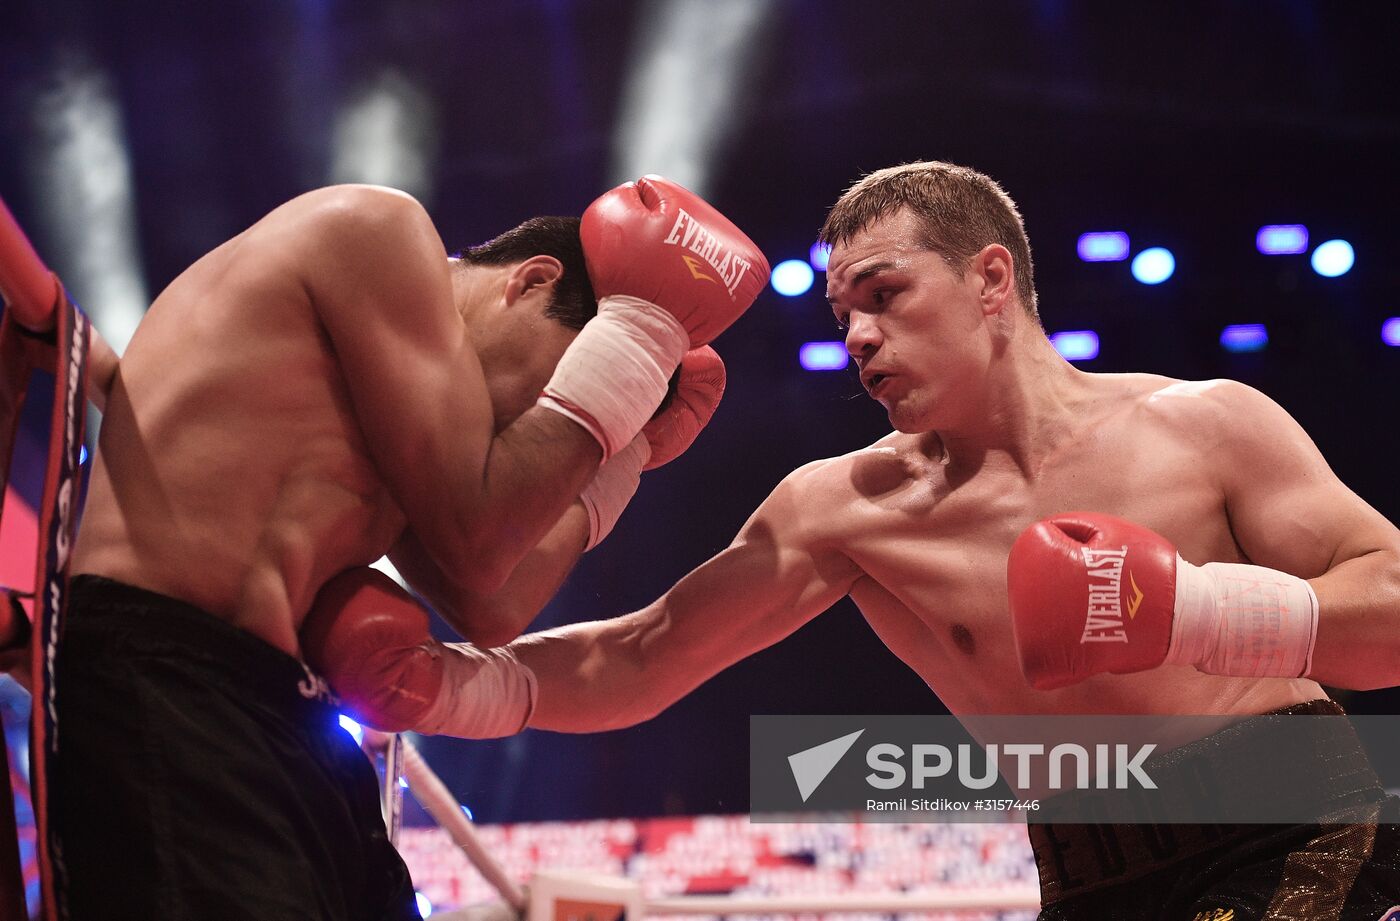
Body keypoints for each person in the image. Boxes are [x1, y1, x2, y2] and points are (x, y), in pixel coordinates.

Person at [304, 162, 1400, 919]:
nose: (859, 337)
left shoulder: (1203, 426)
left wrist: (1197, 611)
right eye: (841, 317)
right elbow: (642, 654)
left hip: (1293, 823)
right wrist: (444, 688)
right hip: (1087, 873)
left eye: (882, 295)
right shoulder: (846, 509)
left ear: (989, 280)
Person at [52, 176, 768, 920]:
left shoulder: (427, 429)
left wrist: (621, 458)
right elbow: (482, 542)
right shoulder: (375, 229)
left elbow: (492, 603)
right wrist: (636, 343)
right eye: (567, 381)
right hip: (167, 671)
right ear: (531, 282)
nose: (544, 430)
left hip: (281, 711)